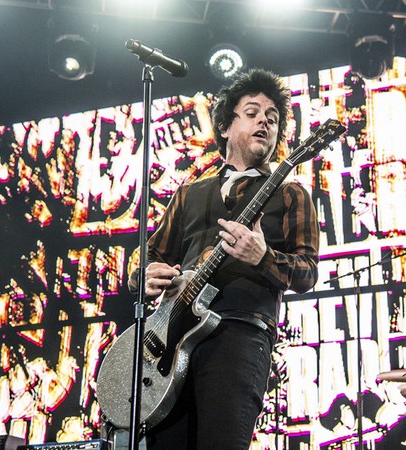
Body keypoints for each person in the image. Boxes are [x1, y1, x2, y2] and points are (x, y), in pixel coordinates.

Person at [128, 68, 320, 449]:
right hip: (170, 339)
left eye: (273, 117)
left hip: (239, 335)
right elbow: (147, 257)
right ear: (225, 126)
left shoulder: (291, 194)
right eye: (252, 112)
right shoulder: (188, 194)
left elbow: (307, 272)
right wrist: (143, 275)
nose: (264, 120)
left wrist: (262, 256)